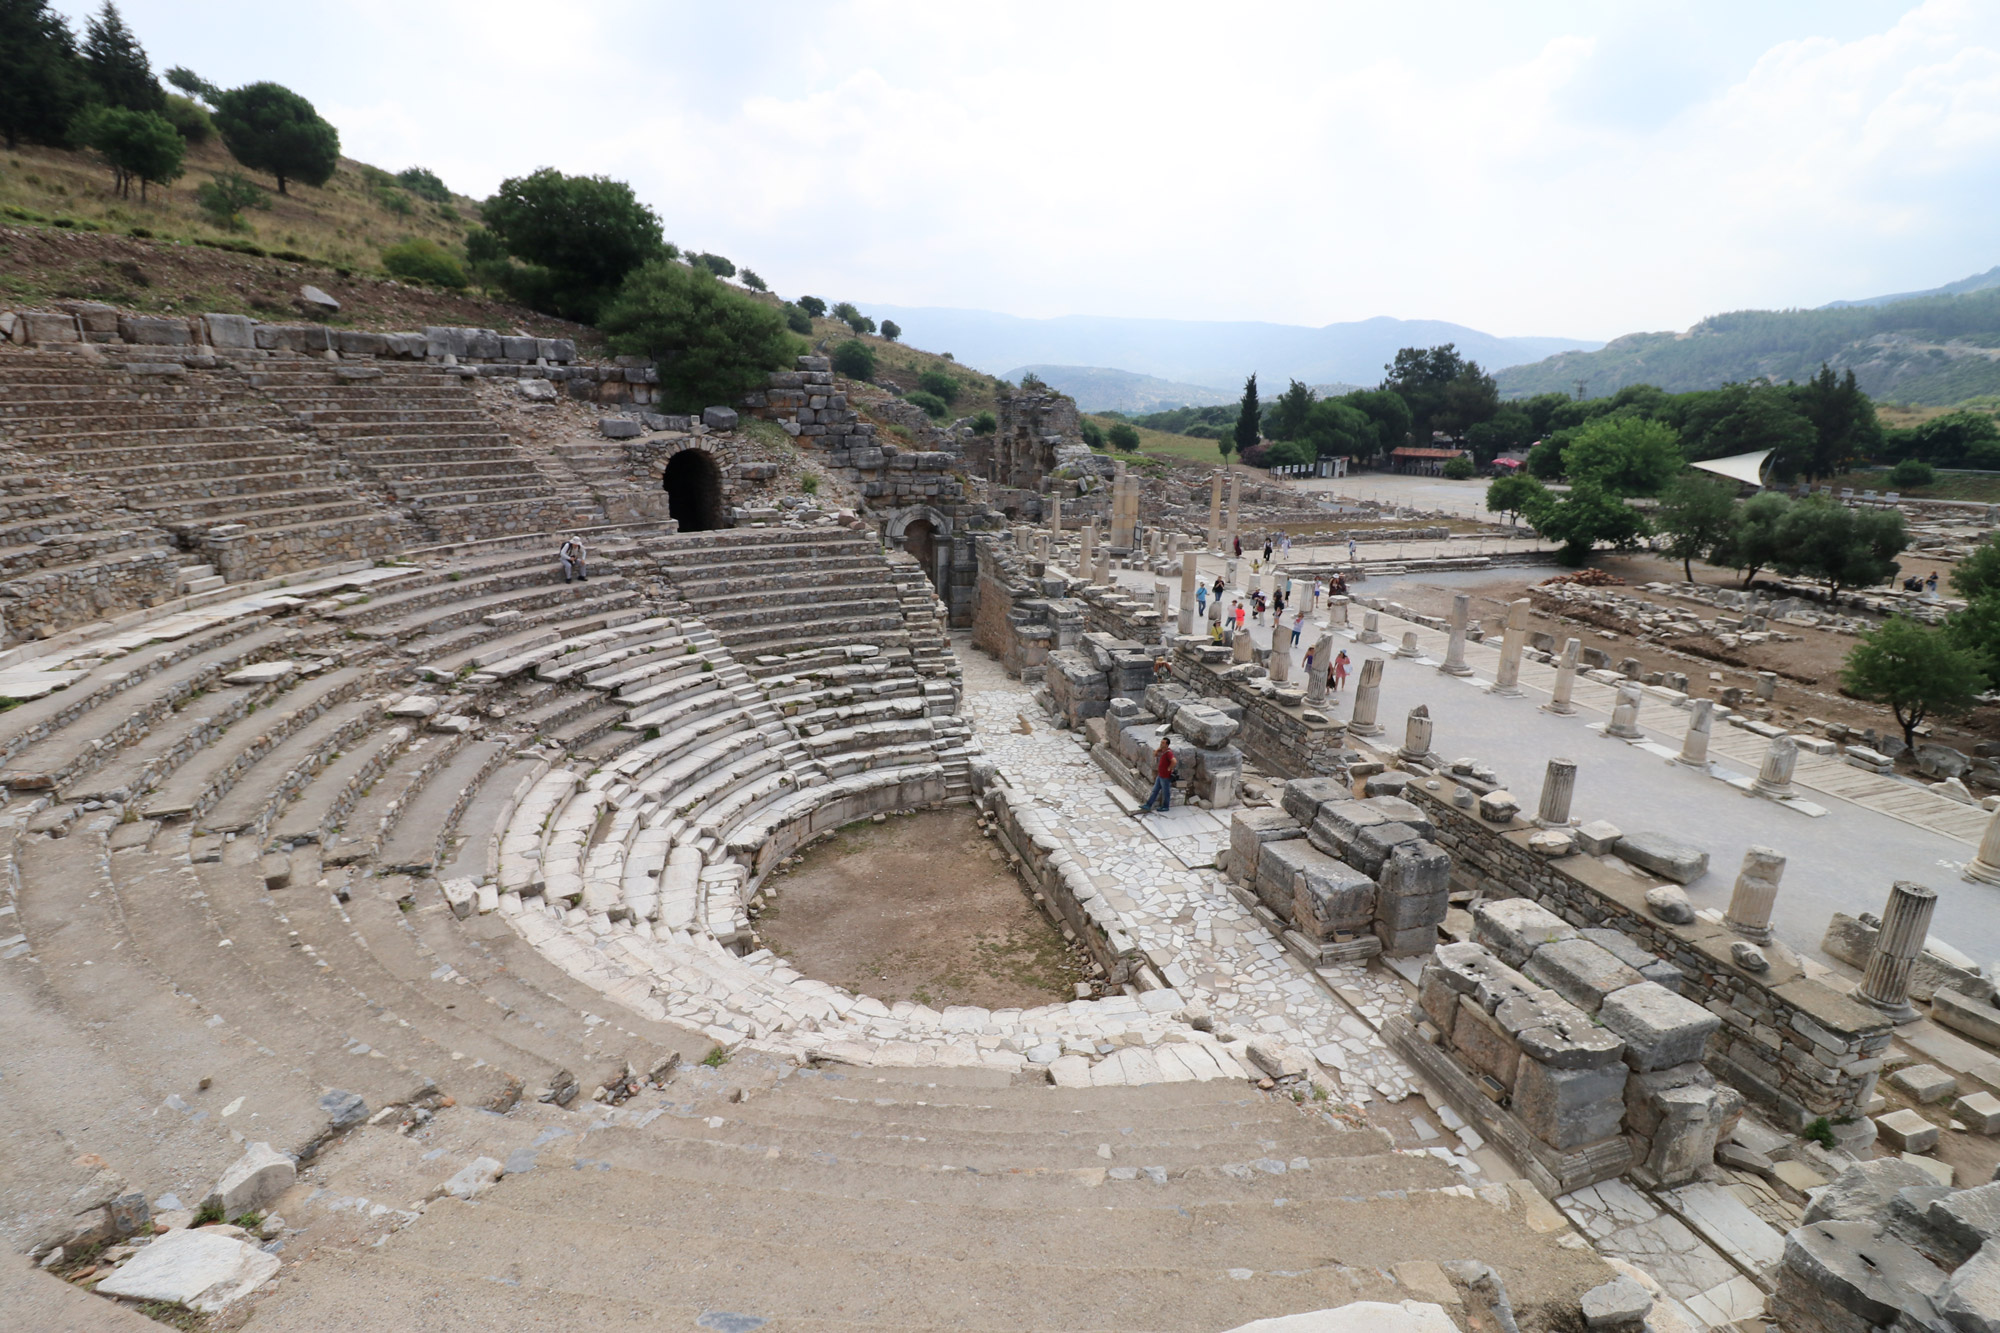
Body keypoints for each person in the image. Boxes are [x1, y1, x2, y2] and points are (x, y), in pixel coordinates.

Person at [1139, 735, 1178, 813]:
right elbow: (1157, 752)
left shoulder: (1168, 753)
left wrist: (1169, 768)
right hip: (1160, 776)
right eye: (1161, 742)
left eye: (1163, 743)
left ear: (1167, 745)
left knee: (1165, 792)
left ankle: (1165, 806)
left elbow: (1174, 761)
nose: (1161, 744)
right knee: (1155, 791)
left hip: (1165, 777)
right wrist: (1158, 749)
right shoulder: (1163, 751)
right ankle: (1148, 805)